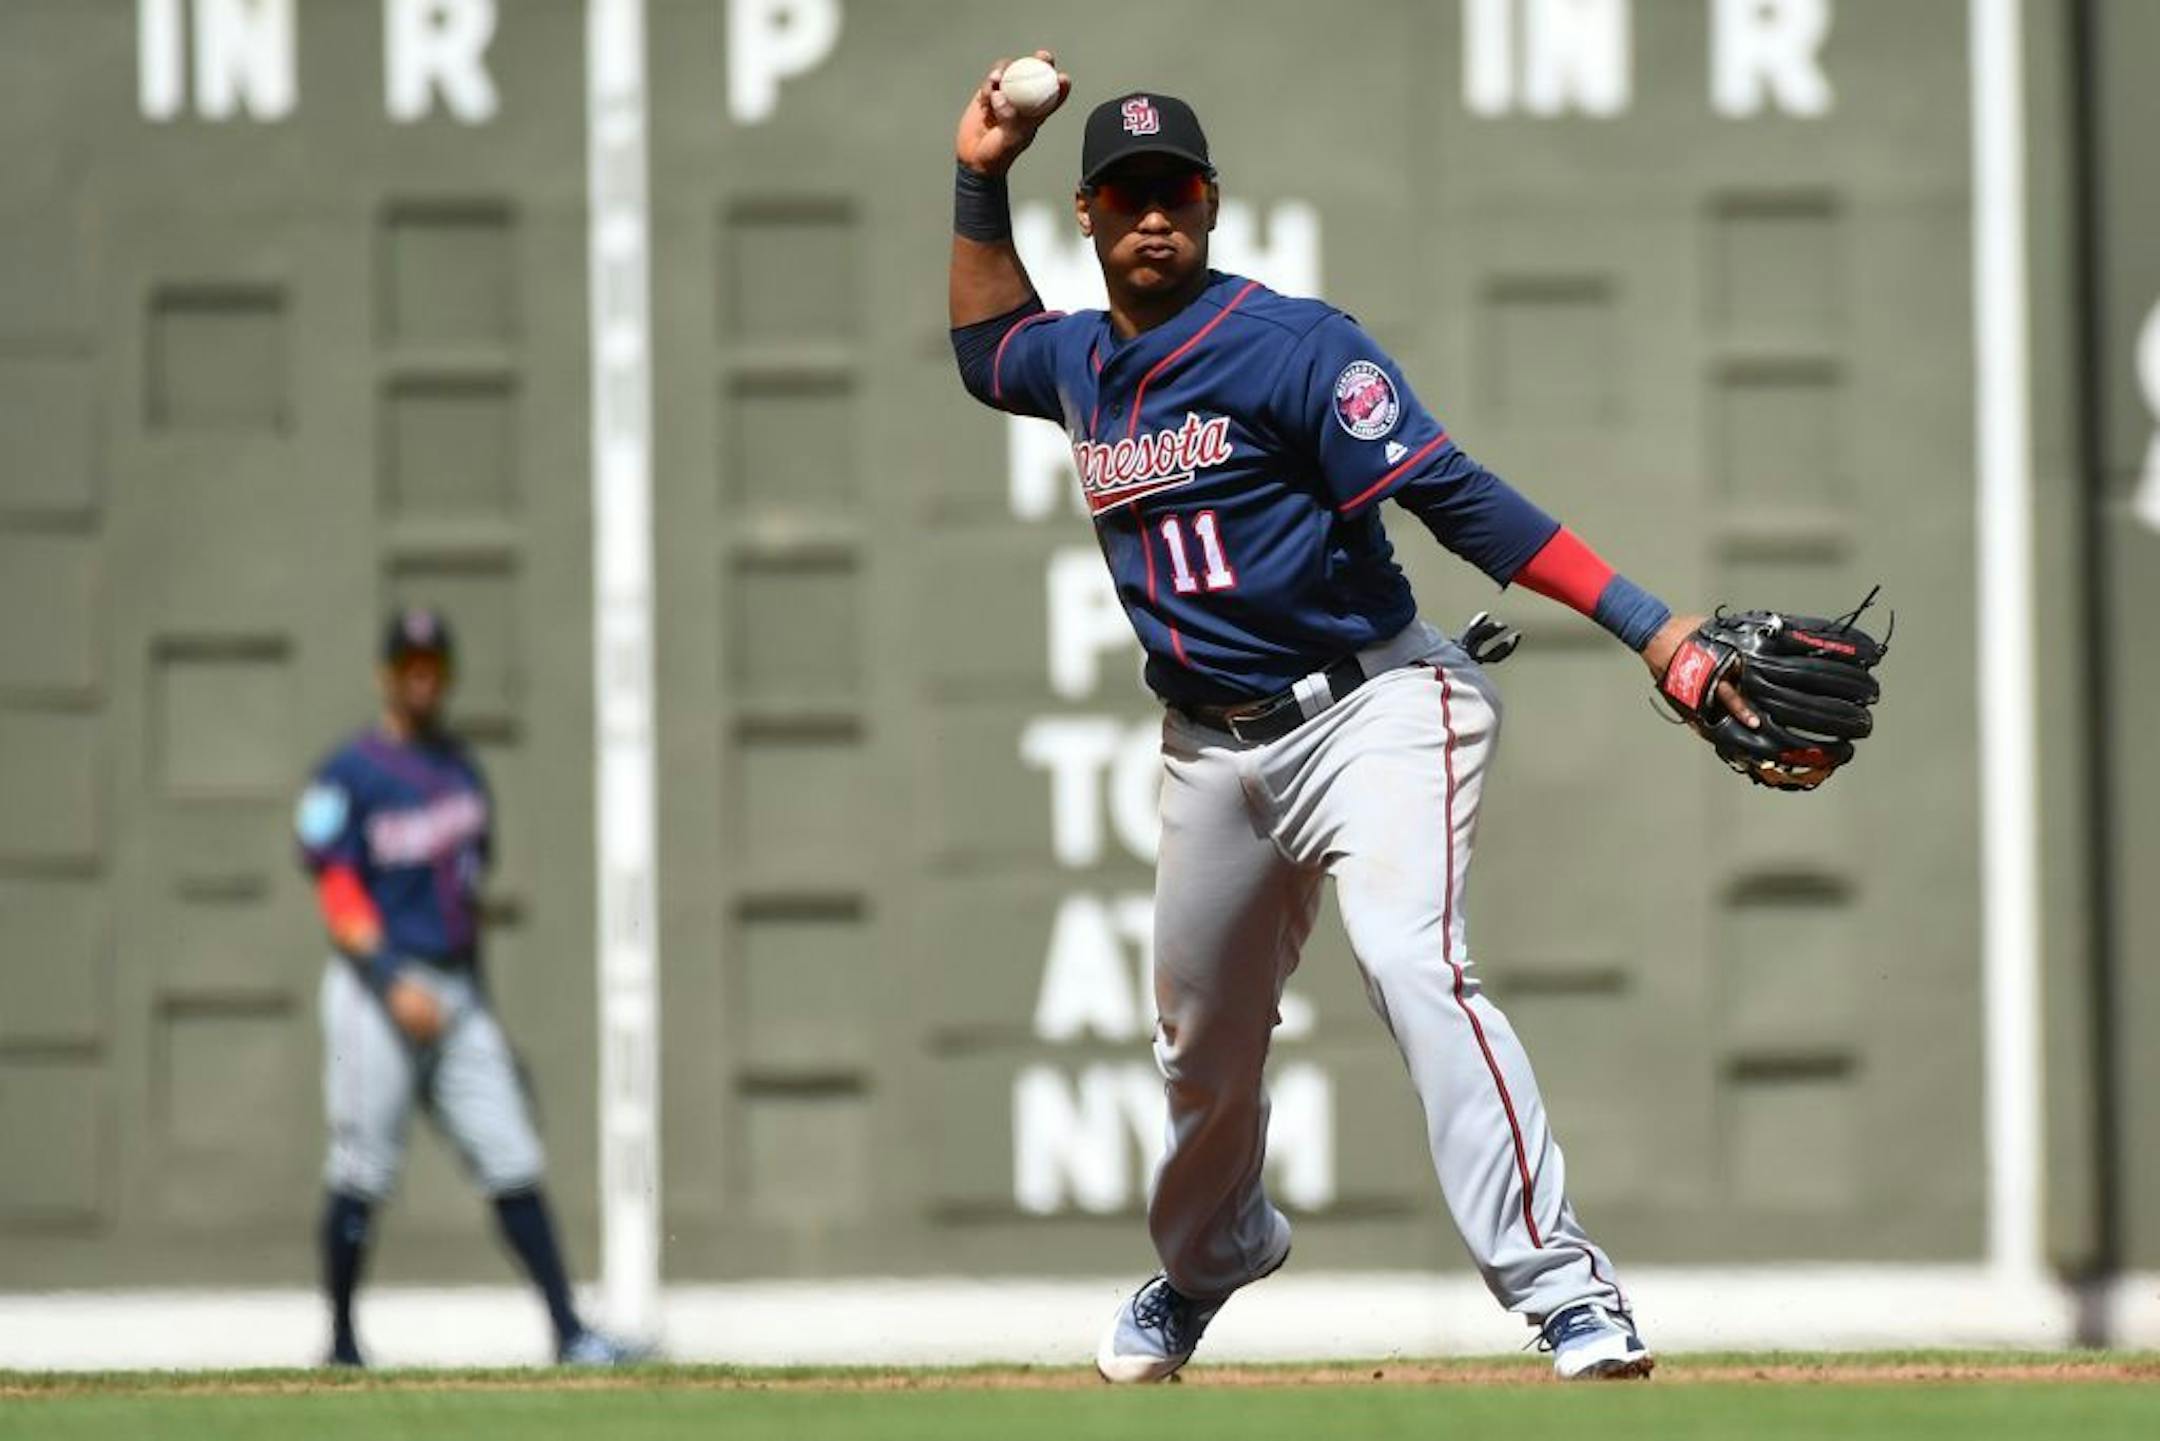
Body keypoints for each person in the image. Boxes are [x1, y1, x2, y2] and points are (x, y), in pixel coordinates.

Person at [949, 56, 1779, 1383]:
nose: (1154, 215)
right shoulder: (1080, 364)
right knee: (1200, 1041)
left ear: (1211, 205)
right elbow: (987, 348)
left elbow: (1456, 495)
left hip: (1375, 708)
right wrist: (979, 173)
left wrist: (1649, 624)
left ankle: (1566, 1288)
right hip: (1211, 751)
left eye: (1177, 192)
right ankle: (1209, 1258)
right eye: (1128, 193)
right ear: (1089, 215)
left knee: (1411, 962)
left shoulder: (1295, 348)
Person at [293, 608, 645, 1368]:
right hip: (374, 990)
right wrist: (390, 981)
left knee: (512, 1153)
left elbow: (466, 895)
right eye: (409, 666)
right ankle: (342, 1343)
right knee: (362, 1167)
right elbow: (338, 889)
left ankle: (570, 1332)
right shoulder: (347, 773)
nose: (423, 679)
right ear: (385, 674)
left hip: (456, 989)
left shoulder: (461, 771)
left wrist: (480, 1008)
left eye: (434, 666)